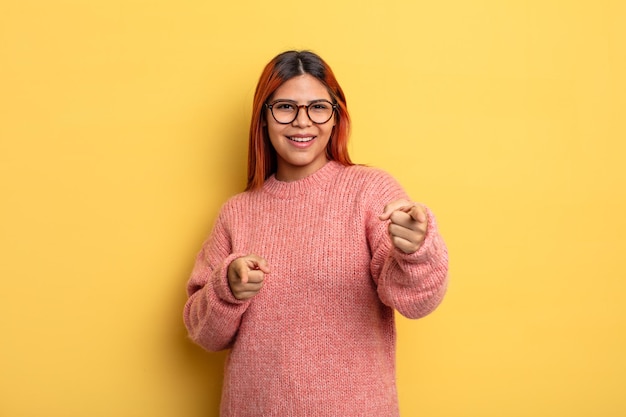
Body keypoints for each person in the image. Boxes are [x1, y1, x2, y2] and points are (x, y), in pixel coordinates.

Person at [183, 50, 449, 417]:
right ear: (264, 117)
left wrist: (416, 250)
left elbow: (417, 302)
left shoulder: (370, 192)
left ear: (336, 115)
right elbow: (205, 334)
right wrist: (227, 289)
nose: (302, 122)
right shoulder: (237, 212)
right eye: (286, 108)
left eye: (318, 107)